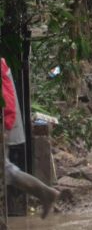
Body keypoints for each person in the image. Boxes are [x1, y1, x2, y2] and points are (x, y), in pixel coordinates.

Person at [2, 58, 59, 220]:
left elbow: (6, 100)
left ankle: (46, 193)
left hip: (4, 122)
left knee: (6, 170)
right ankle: (45, 193)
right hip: (6, 122)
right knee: (6, 170)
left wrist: (6, 124)